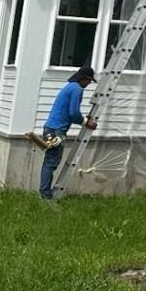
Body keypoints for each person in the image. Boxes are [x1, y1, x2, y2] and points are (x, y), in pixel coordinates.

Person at [30, 67, 98, 200]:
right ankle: (45, 195)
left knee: (49, 161)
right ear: (83, 78)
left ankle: (44, 193)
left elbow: (70, 112)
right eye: (89, 81)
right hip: (57, 130)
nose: (89, 84)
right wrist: (86, 122)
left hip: (50, 127)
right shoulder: (77, 89)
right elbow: (73, 113)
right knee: (51, 162)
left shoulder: (70, 87)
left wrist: (84, 119)